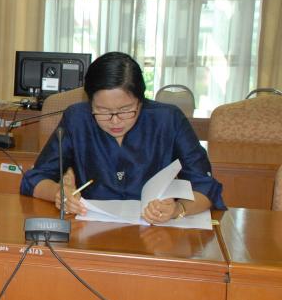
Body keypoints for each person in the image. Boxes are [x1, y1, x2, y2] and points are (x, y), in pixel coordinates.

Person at [20, 51, 225, 224]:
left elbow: (205, 186)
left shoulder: (168, 119)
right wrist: (59, 193)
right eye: (102, 111)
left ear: (141, 100)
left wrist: (178, 209)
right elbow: (34, 179)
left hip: (156, 232)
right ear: (90, 102)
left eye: (126, 110)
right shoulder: (77, 119)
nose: (115, 121)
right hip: (93, 229)